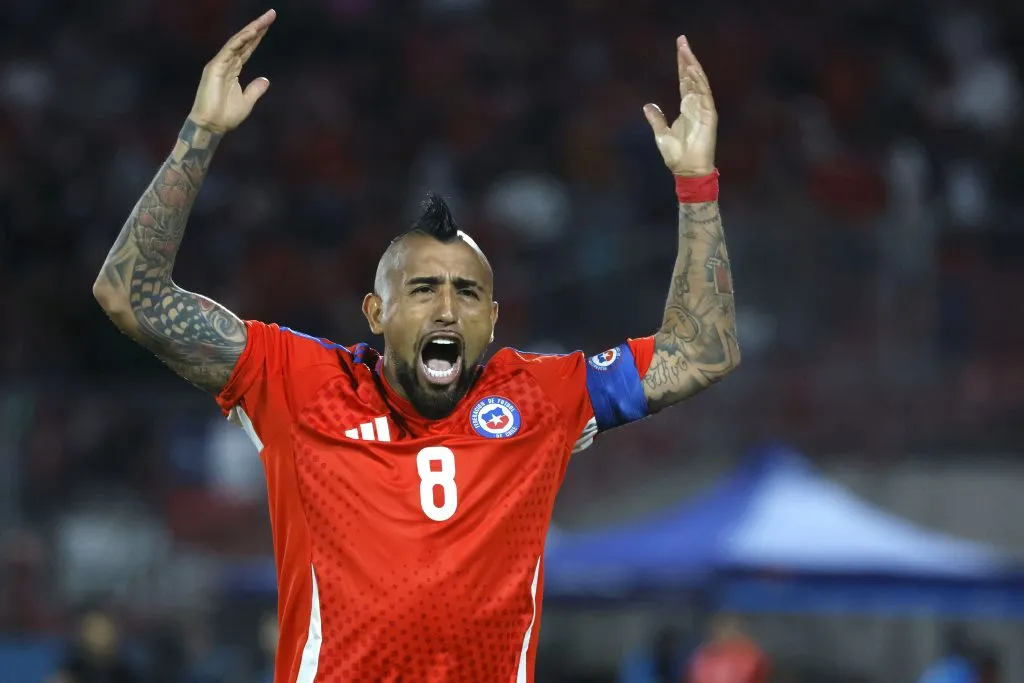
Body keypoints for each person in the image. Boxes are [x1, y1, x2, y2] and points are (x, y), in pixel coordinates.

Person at [92, 9, 740, 683]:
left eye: (467, 293)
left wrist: (697, 185)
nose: (447, 309)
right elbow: (129, 295)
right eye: (424, 289)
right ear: (376, 312)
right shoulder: (299, 383)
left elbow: (703, 352)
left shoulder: (540, 397)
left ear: (493, 320)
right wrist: (200, 131)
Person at [687, 614, 769, 683]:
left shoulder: (750, 654)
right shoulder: (704, 655)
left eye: (729, 628)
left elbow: (754, 674)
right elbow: (695, 676)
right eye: (721, 629)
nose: (724, 633)